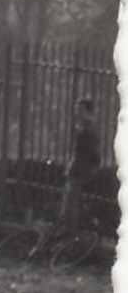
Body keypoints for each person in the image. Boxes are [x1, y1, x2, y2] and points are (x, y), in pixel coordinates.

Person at [60, 97, 102, 232]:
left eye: (80, 110)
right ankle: (69, 228)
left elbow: (90, 152)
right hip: (79, 168)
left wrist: (87, 167)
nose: (77, 113)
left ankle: (71, 234)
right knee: (68, 200)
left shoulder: (88, 130)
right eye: (76, 110)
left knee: (69, 204)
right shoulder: (84, 127)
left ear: (89, 112)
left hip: (81, 170)